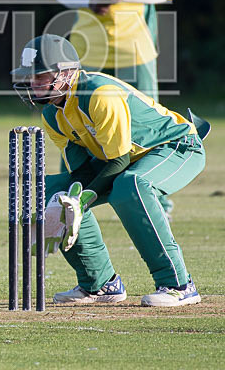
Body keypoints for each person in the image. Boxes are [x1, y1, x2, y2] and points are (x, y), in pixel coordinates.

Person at [12, 34, 210, 307]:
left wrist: (81, 202)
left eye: (41, 76)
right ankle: (101, 284)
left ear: (67, 73)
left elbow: (118, 162)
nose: (33, 84)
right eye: (29, 76)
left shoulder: (99, 93)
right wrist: (69, 199)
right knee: (52, 192)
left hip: (176, 146)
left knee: (131, 186)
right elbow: (81, 171)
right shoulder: (52, 115)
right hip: (122, 159)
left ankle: (179, 285)